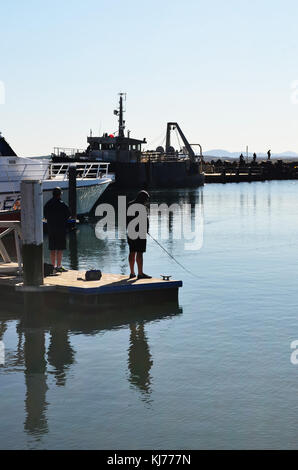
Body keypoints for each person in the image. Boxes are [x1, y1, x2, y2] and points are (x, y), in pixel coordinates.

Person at [44, 187, 71, 272]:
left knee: (52, 248)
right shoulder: (63, 204)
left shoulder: (48, 204)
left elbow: (45, 216)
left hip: (51, 228)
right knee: (60, 248)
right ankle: (59, 266)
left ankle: (53, 266)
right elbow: (68, 215)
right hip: (61, 228)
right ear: (60, 194)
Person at [127, 190, 152, 280]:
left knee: (132, 251)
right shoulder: (142, 207)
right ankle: (140, 274)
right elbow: (145, 220)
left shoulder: (129, 205)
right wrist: (146, 230)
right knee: (139, 253)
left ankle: (132, 273)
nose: (147, 201)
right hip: (140, 232)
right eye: (146, 199)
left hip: (130, 231)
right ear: (143, 198)